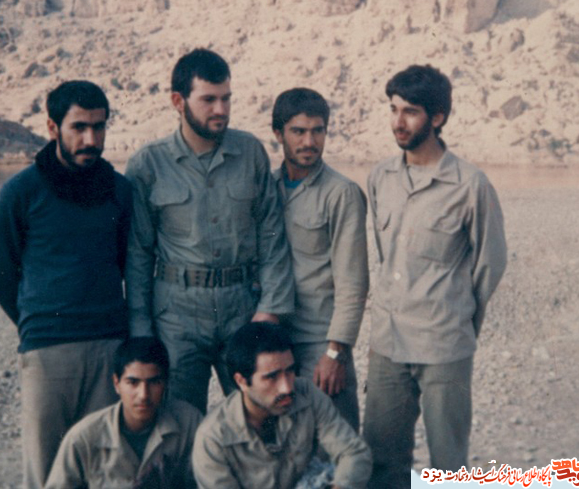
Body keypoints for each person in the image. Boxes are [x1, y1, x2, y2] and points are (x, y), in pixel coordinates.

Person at [125, 48, 294, 413]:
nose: (221, 109)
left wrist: (269, 311)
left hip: (243, 309)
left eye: (226, 98)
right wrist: (141, 328)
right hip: (177, 316)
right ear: (178, 101)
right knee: (178, 420)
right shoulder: (149, 164)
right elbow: (138, 253)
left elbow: (272, 237)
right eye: (209, 100)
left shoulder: (250, 153)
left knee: (260, 416)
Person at [364, 65, 507, 487]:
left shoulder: (470, 185)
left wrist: (457, 320)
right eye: (393, 110)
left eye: (410, 112)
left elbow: (489, 265)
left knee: (448, 467)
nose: (398, 122)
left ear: (438, 117)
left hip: (444, 346)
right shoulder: (381, 177)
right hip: (388, 345)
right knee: (382, 462)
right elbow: (386, 256)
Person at [0, 80, 133, 489]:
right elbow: (1, 274)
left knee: (104, 467)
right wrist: (36, 324)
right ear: (52, 128)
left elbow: (130, 267)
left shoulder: (120, 191)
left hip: (109, 347)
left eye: (99, 127)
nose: (91, 139)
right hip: (47, 351)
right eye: (79, 127)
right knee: (46, 470)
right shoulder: (20, 193)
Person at [271, 87, 368, 431]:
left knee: (336, 443)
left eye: (318, 131)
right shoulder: (266, 188)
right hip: (274, 338)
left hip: (320, 342)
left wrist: (335, 352)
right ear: (278, 134)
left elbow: (353, 282)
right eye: (298, 131)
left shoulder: (341, 194)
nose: (309, 142)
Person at [192, 322, 372, 489]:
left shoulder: (306, 393)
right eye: (272, 377)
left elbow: (354, 453)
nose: (286, 387)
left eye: (290, 371)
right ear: (241, 381)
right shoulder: (213, 439)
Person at [45, 337, 202, 489]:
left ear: (165, 383)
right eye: (133, 383)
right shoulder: (84, 437)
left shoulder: (189, 423)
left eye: (154, 382)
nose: (143, 395)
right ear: (116, 383)